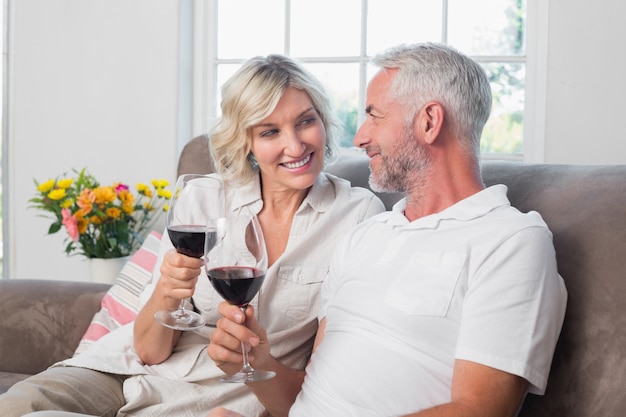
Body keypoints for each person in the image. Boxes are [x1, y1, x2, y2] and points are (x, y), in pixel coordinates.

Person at [0, 54, 385, 417]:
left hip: (222, 394)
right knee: (20, 404)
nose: (295, 145)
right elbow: (149, 352)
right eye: (270, 131)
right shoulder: (204, 198)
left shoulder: (356, 215)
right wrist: (168, 289)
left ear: (323, 119)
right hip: (125, 372)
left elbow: (325, 384)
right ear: (246, 142)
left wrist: (258, 359)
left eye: (305, 121)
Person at [207, 42, 568, 417]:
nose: (360, 137)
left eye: (375, 116)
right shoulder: (367, 234)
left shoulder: (511, 241)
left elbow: (480, 409)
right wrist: (257, 364)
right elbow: (306, 398)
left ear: (429, 121)